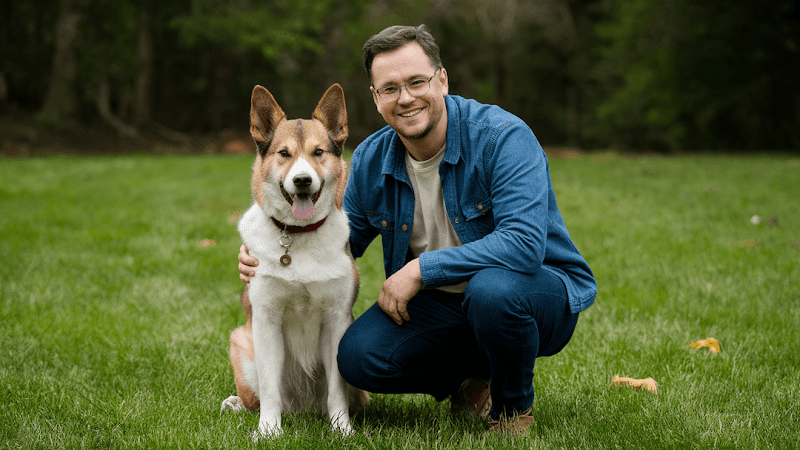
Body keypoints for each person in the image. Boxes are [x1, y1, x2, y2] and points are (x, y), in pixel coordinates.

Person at [238, 24, 596, 435]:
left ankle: (511, 409)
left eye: (416, 82)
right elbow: (338, 239)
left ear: (441, 79)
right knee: (357, 356)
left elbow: (524, 246)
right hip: (441, 304)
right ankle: (469, 379)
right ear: (375, 99)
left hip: (534, 292)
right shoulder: (373, 158)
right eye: (389, 88)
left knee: (492, 293)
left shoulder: (503, 138)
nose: (405, 98)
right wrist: (268, 254)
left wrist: (421, 269)